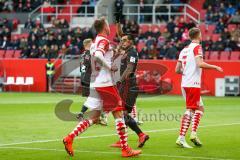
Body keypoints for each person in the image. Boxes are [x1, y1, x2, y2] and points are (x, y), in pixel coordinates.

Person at [63, 17, 142, 157]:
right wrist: (109, 66)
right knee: (119, 114)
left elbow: (101, 54)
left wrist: (115, 54)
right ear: (105, 27)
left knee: (94, 117)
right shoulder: (103, 40)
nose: (109, 26)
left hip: (97, 82)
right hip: (105, 83)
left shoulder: (95, 42)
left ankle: (69, 138)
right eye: (107, 24)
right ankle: (126, 149)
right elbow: (99, 56)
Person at [175, 27, 223, 148]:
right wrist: (215, 67)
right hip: (193, 84)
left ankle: (194, 134)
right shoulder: (197, 47)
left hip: (185, 83)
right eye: (201, 34)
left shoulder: (184, 50)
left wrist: (187, 71)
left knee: (200, 108)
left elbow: (177, 70)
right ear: (198, 35)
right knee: (191, 110)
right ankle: (181, 138)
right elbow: (200, 64)